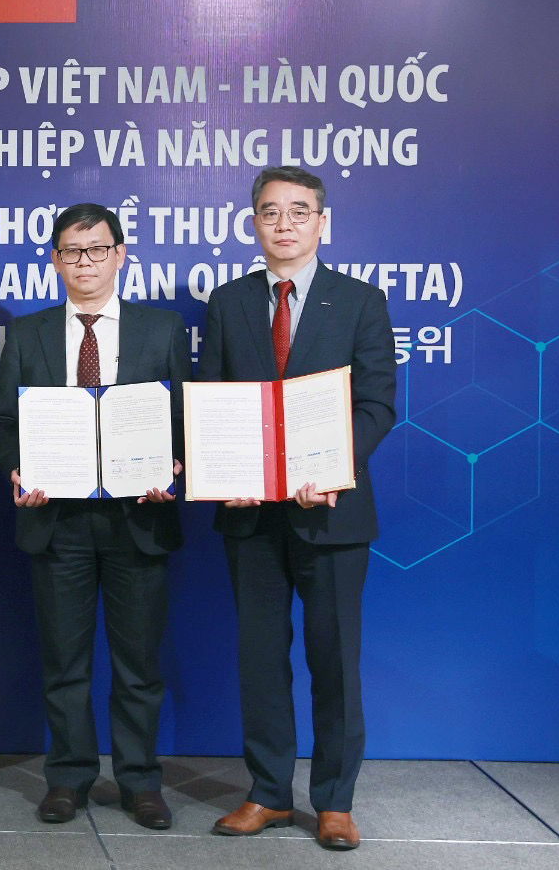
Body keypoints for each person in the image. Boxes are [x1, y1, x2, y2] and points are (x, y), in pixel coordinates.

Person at [199, 167, 395, 851]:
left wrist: (333, 465)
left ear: (322, 222)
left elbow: (377, 403)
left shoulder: (361, 301)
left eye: (298, 211)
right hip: (251, 514)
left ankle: (335, 799)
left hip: (332, 512)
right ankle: (268, 793)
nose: (284, 223)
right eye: (269, 212)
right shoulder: (227, 303)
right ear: (252, 223)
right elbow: (214, 400)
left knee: (334, 657)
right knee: (260, 656)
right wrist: (224, 469)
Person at [0, 203, 188, 828]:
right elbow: (1, 421)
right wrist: (16, 468)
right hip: (58, 521)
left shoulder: (162, 330)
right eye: (72, 252)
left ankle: (139, 780)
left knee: (138, 664)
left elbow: (181, 418)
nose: (85, 263)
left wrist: (171, 467)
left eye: (97, 250)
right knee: (64, 662)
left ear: (120, 255)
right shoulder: (29, 333)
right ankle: (69, 778)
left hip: (139, 518)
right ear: (54, 260)